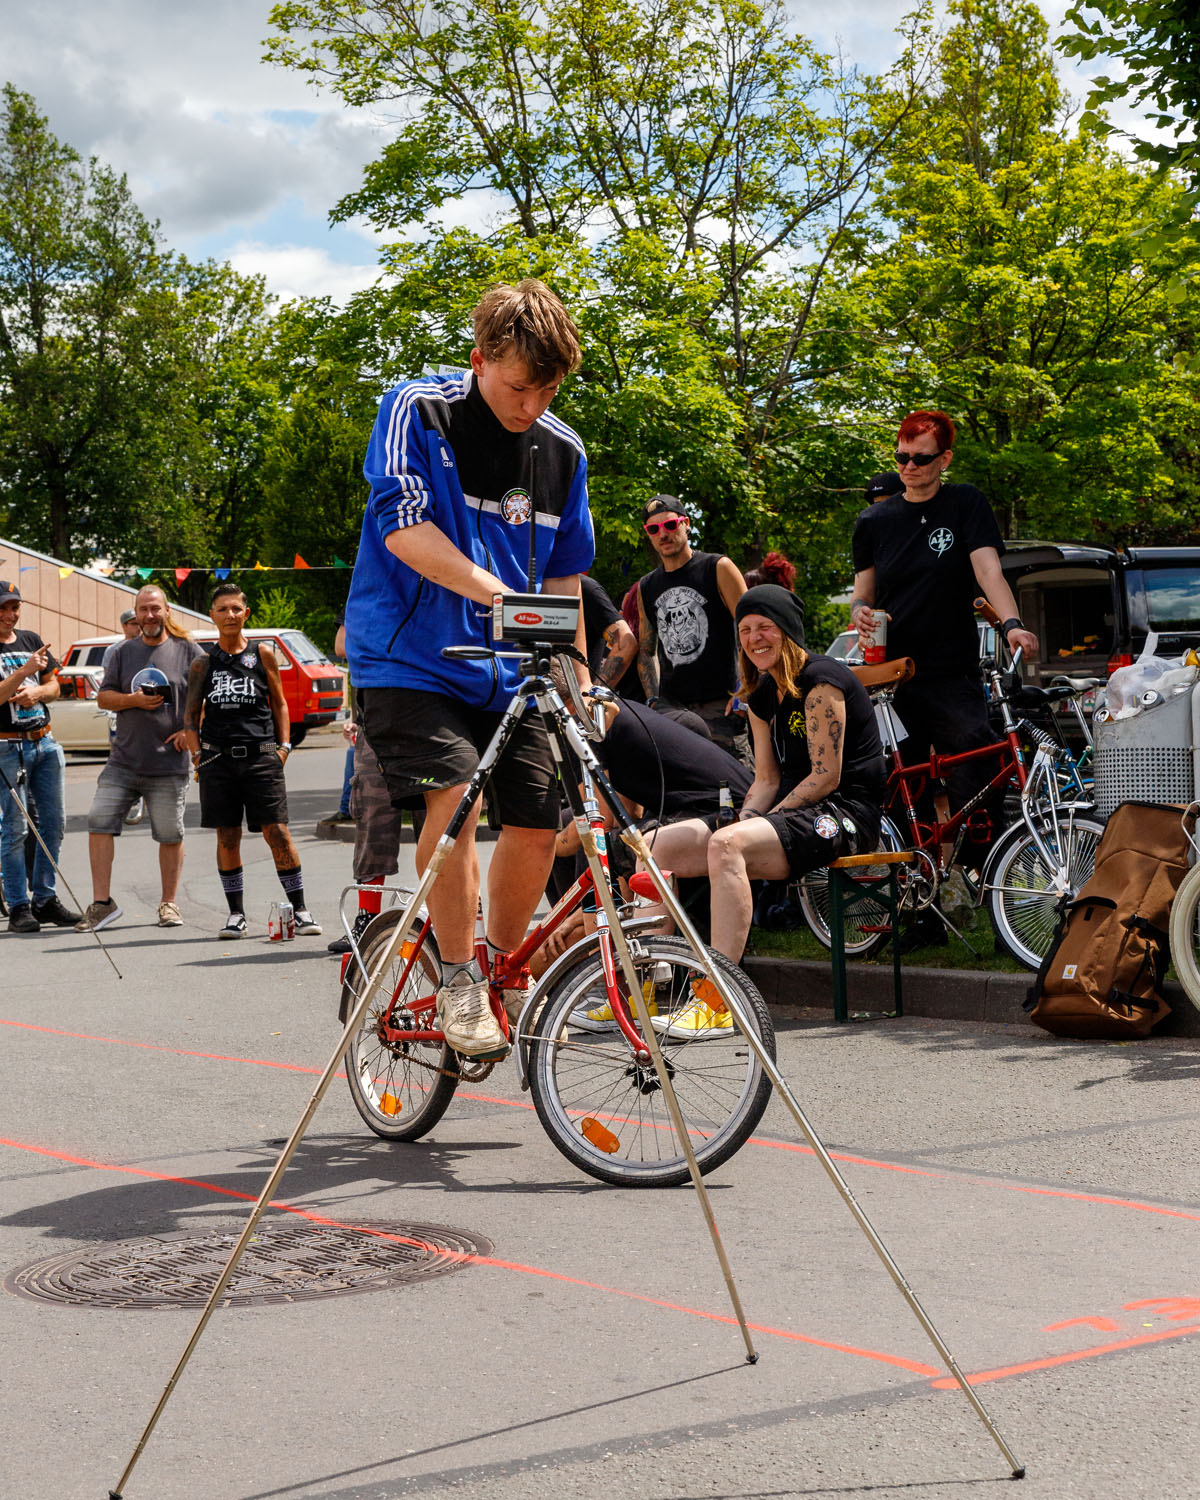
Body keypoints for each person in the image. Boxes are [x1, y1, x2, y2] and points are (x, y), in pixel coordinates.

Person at [344, 278, 594, 1060]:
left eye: (550, 388)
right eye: (521, 387)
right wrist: (498, 598)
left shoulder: (563, 451)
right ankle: (457, 978)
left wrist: (577, 678)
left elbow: (564, 576)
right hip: (408, 661)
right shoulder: (418, 410)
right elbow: (404, 528)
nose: (533, 405)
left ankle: (501, 967)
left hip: (504, 671)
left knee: (535, 820)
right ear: (481, 359)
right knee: (453, 802)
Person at [640, 584, 885, 1036]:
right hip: (793, 813)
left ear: (788, 631)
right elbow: (766, 780)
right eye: (746, 629)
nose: (754, 638)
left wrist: (756, 825)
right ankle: (643, 991)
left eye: (765, 627)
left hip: (845, 814)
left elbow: (825, 777)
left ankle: (716, 1000)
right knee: (655, 847)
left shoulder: (822, 679)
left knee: (728, 844)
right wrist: (749, 816)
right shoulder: (760, 693)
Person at [849, 410, 1038, 884]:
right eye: (901, 456)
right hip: (893, 677)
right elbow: (862, 593)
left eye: (921, 458)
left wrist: (1012, 623)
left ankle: (985, 882)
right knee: (902, 785)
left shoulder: (965, 504)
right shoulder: (873, 521)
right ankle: (912, 890)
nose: (908, 467)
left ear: (945, 458)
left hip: (953, 672)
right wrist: (858, 612)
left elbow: (988, 571)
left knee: (977, 771)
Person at [183, 582, 321, 938]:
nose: (230, 615)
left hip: (261, 758)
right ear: (212, 615)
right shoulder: (203, 663)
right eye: (222, 609)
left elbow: (280, 703)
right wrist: (198, 755)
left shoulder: (263, 655)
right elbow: (190, 716)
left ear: (246, 614)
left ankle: (301, 909)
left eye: (236, 609)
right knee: (227, 837)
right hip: (217, 761)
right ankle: (235, 914)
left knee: (277, 831)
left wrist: (284, 747)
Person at [76, 585, 205, 932]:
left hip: (168, 763)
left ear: (166, 611)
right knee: (98, 819)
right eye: (143, 610)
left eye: (155, 609)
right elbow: (104, 699)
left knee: (169, 834)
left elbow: (204, 701)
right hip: (124, 761)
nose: (149, 616)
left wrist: (189, 731)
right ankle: (103, 904)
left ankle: (168, 904)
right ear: (136, 614)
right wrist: (133, 700)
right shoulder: (122, 653)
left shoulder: (189, 651)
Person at [636, 495, 749, 759]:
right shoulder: (646, 586)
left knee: (734, 789)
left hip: (721, 705)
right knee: (682, 790)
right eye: (654, 529)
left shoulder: (718, 567)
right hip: (673, 711)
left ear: (686, 524)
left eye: (670, 525)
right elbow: (645, 648)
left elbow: (751, 631)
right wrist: (653, 700)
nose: (663, 534)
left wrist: (746, 689)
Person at [0, 580, 78, 933]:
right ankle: (18, 905)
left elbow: (55, 687)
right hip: (8, 746)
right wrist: (22, 673)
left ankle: (44, 899)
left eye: (14, 607)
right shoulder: (25, 656)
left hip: (45, 743)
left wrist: (37, 691)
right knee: (15, 829)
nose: (10, 614)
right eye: (3, 608)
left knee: (54, 824)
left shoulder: (31, 639)